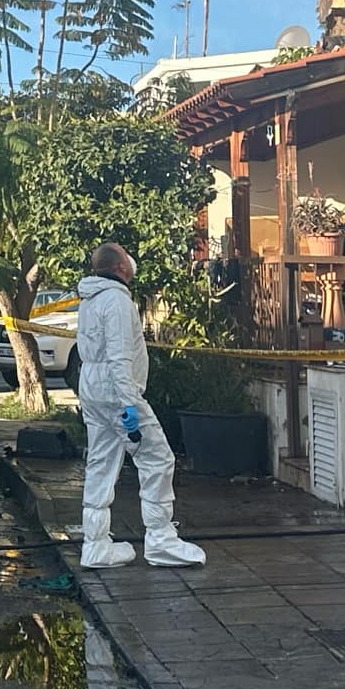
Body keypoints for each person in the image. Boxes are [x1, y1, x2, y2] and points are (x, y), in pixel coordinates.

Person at [75, 242, 206, 569]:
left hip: (92, 387)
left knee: (101, 464)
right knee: (157, 458)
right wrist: (129, 407)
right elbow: (120, 360)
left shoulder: (90, 300)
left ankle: (95, 545)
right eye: (126, 256)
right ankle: (161, 539)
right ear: (121, 268)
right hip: (116, 392)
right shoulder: (117, 301)